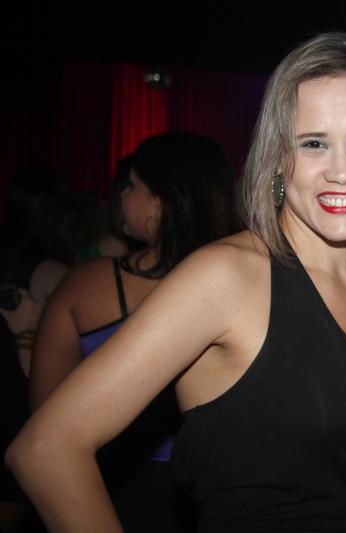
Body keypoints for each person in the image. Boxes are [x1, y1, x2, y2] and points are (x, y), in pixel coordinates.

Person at [6, 32, 346, 533]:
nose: (342, 171)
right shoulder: (224, 278)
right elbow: (46, 449)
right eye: (313, 143)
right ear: (277, 158)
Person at [26, 133, 239, 531]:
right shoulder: (251, 283)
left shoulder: (85, 285)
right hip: (225, 492)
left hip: (106, 488)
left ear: (160, 200)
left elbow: (43, 410)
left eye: (132, 185)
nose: (122, 196)